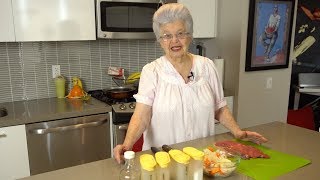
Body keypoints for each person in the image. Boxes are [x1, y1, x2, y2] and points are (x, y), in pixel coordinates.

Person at [114, 3, 268, 163]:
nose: (174, 41)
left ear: (190, 36)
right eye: (166, 36)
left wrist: (237, 131)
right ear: (160, 40)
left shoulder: (207, 66)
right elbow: (141, 116)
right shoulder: (152, 71)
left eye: (180, 33)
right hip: (163, 160)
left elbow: (220, 107)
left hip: (201, 158)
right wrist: (127, 145)